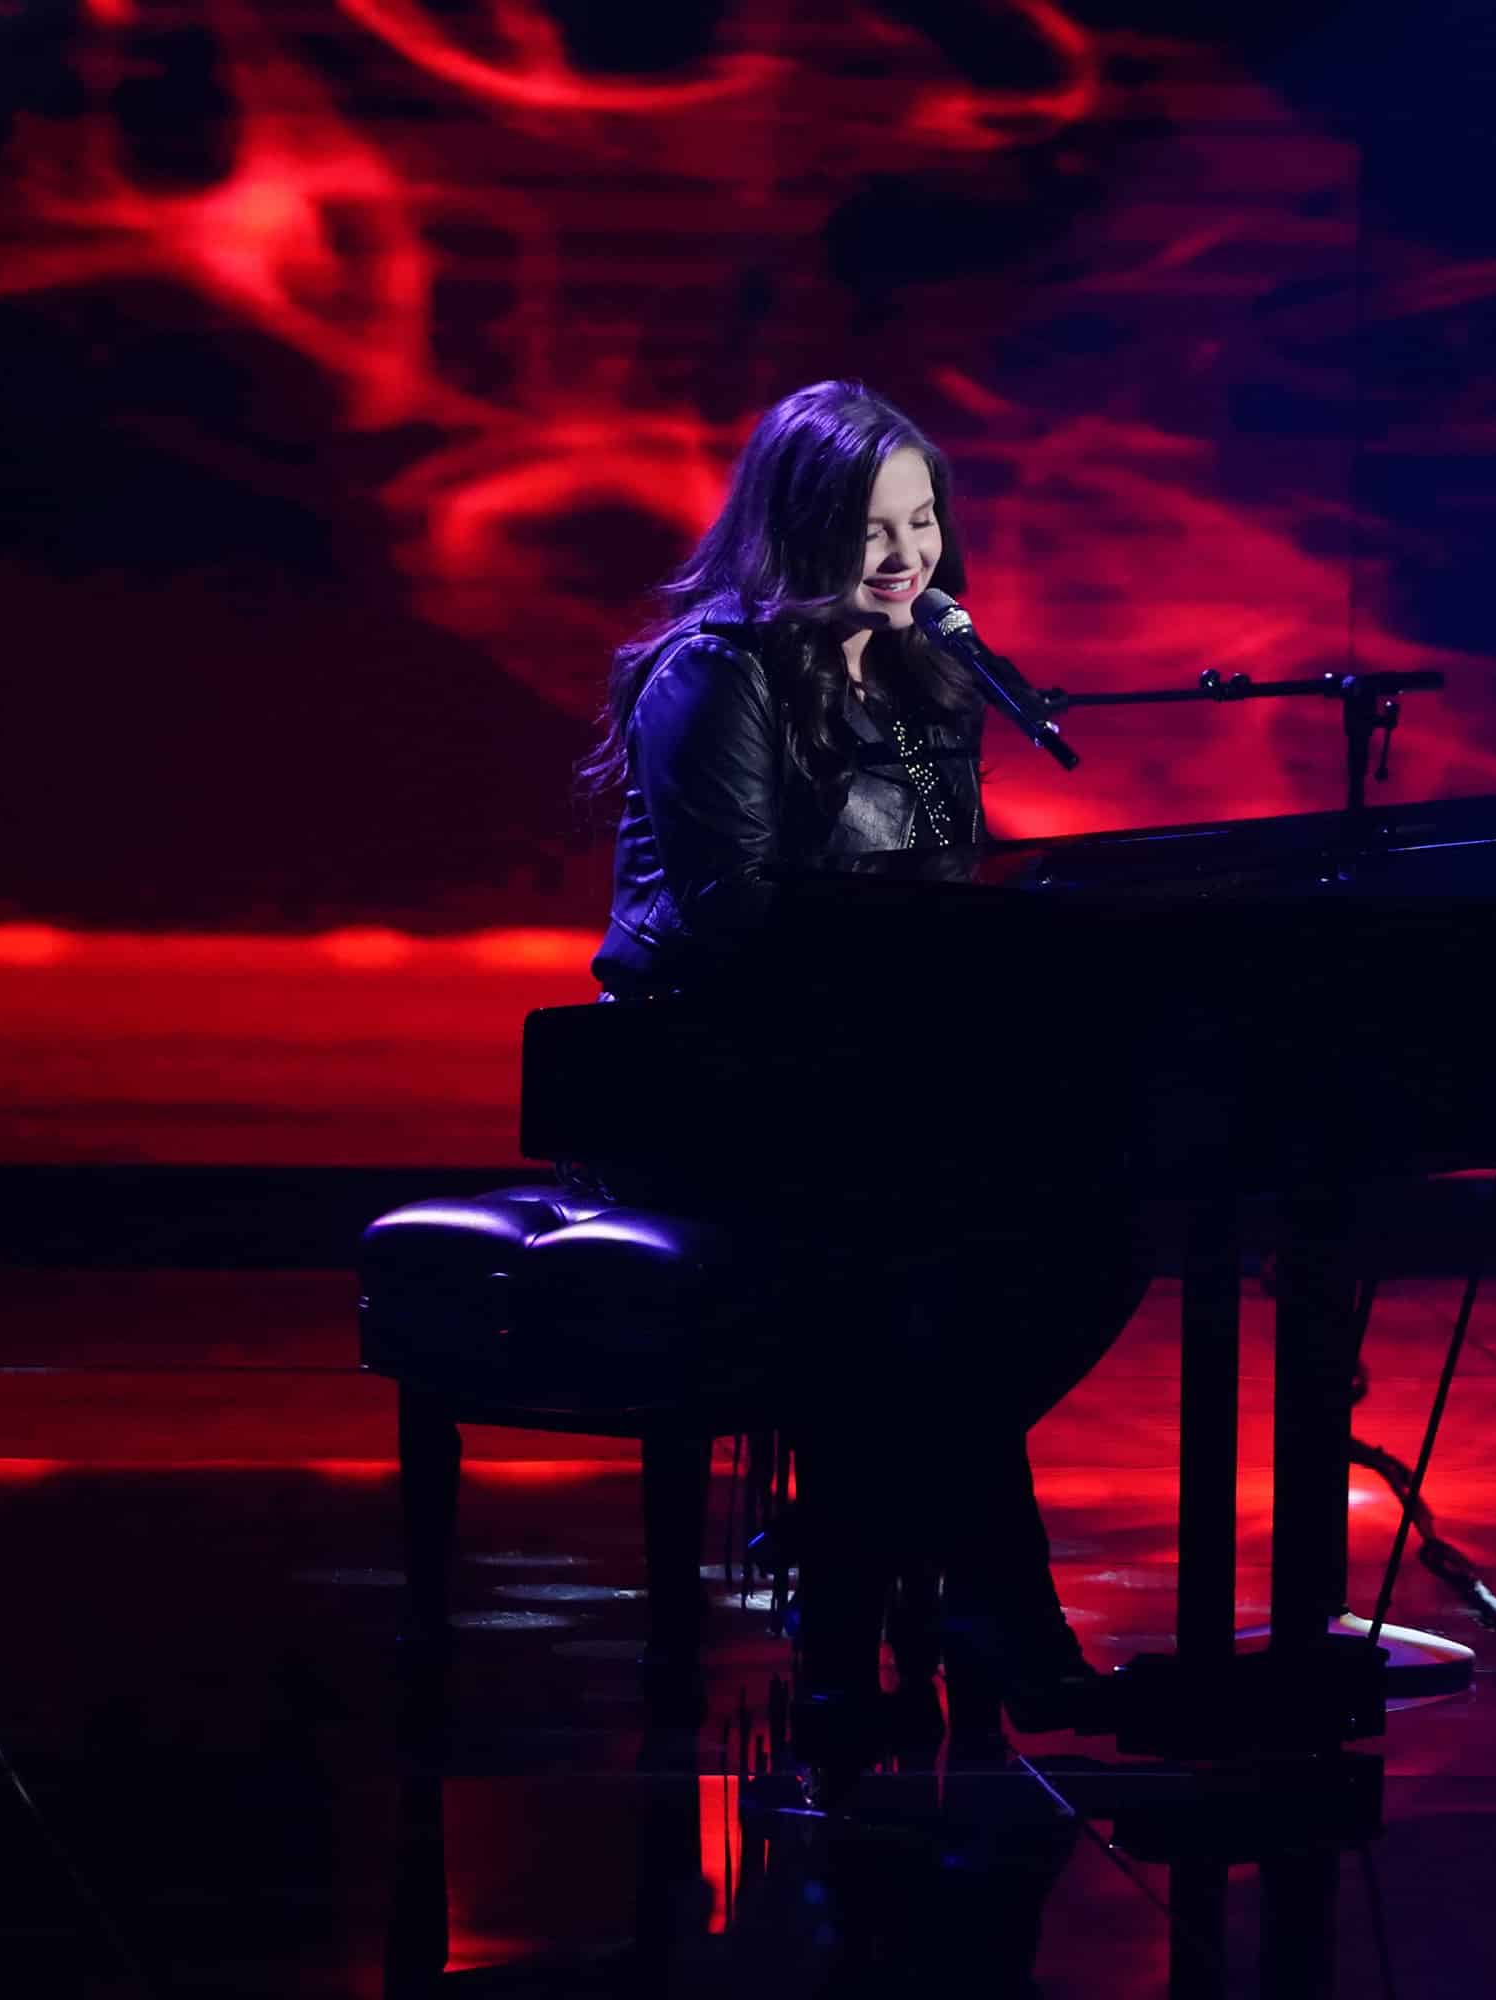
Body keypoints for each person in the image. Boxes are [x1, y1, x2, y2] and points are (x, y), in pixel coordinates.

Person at [578, 379, 1143, 1752]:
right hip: (707, 1077)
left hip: (865, 1077)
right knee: (907, 1273)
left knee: (1095, 1236)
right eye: (874, 527)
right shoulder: (715, 672)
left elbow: (945, 878)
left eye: (923, 520)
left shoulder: (926, 673)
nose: (907, 555)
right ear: (798, 528)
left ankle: (886, 1554)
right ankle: (967, 1630)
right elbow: (734, 915)